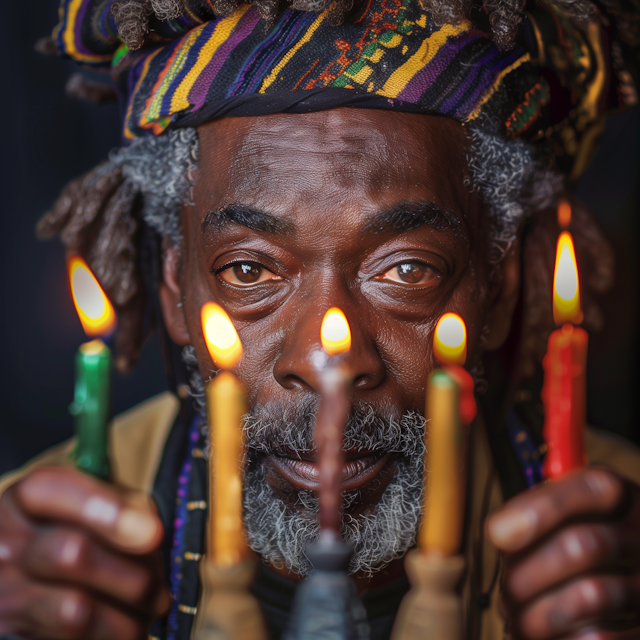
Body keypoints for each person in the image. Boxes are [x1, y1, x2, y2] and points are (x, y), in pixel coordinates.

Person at [1, 0, 640, 638]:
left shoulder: (617, 560)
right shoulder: (39, 569)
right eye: (249, 271)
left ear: (497, 288)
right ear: (175, 286)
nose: (326, 360)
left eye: (406, 270)